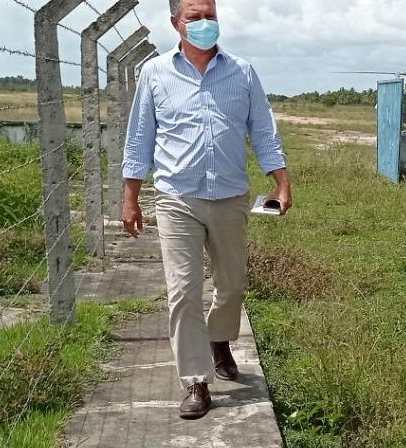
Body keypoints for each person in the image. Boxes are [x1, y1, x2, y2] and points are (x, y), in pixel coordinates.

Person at [122, 0, 291, 419]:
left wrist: (281, 180)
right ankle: (197, 381)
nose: (203, 24)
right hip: (177, 197)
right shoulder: (155, 73)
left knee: (231, 286)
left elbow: (264, 131)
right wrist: (130, 197)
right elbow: (140, 137)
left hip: (230, 196)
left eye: (210, 16)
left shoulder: (242, 72)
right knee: (184, 291)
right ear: (176, 22)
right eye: (194, 17)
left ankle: (219, 338)